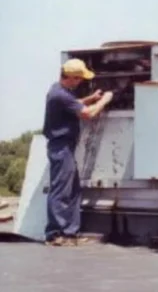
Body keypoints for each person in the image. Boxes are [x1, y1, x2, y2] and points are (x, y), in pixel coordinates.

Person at [42, 58, 113, 246]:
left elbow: (72, 104)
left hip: (65, 147)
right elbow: (87, 114)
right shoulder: (61, 95)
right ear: (72, 78)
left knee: (72, 190)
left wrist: (90, 99)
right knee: (60, 191)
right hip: (61, 147)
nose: (81, 82)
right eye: (80, 79)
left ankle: (70, 233)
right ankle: (55, 234)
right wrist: (105, 100)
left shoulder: (58, 91)